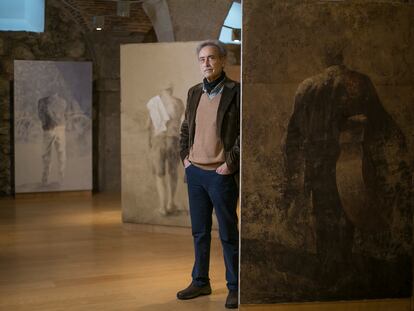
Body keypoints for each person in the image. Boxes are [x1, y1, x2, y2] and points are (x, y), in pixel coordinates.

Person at [177, 40, 240, 309]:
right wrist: (185, 159)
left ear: (223, 61)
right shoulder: (194, 92)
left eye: (212, 58)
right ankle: (201, 281)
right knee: (199, 232)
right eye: (202, 59)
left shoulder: (236, 92)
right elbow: (185, 129)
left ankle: (236, 286)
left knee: (227, 232)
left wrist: (230, 164)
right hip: (196, 174)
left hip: (220, 173)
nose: (206, 63)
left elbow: (243, 133)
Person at [146, 84, 184, 216]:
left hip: (159, 140)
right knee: (172, 173)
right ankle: (170, 203)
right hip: (173, 140)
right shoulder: (178, 103)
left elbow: (148, 125)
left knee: (159, 175)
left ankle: (162, 207)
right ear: (171, 89)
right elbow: (180, 122)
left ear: (161, 89)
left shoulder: (154, 102)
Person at [37, 93, 68, 185]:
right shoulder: (63, 101)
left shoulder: (42, 101)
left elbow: (40, 114)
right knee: (60, 152)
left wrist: (44, 124)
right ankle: (60, 177)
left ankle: (46, 179)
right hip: (59, 127)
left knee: (48, 153)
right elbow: (65, 115)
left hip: (52, 128)